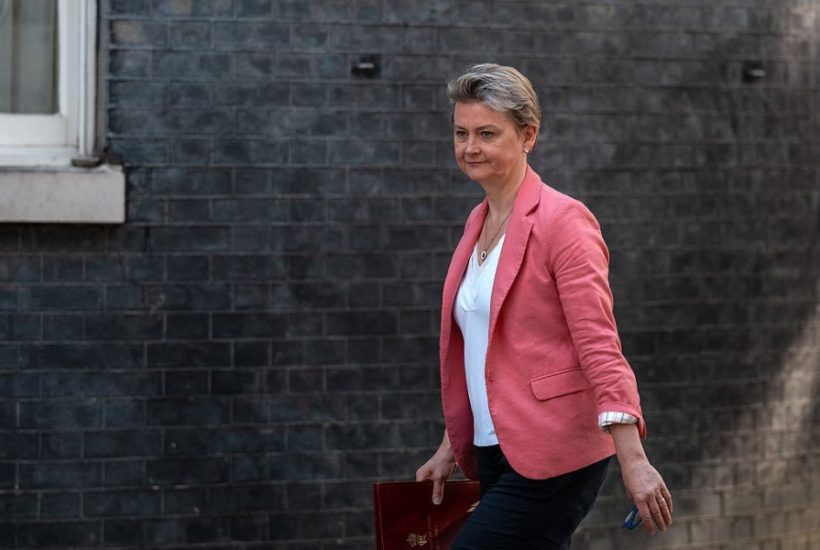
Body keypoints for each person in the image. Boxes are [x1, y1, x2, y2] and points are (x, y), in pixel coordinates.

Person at [415, 64, 673, 549]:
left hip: (555, 452)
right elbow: (486, 349)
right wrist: (452, 444)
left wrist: (633, 459)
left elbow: (599, 344)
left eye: (487, 133)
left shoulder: (564, 221)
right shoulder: (477, 222)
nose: (470, 147)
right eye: (461, 133)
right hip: (493, 448)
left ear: (528, 135)